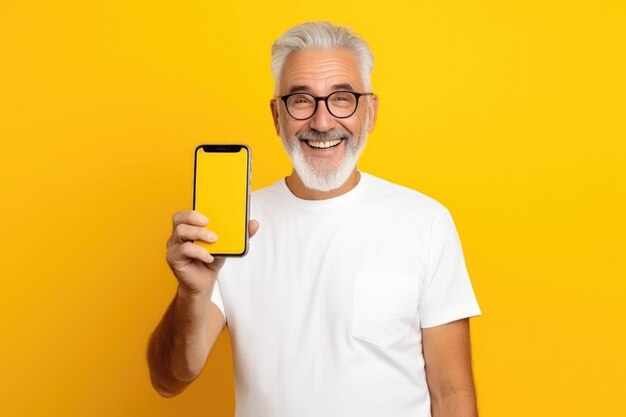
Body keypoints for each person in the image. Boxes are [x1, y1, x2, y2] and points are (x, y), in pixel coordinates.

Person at [148, 21, 481, 417]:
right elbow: (168, 379)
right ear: (277, 115)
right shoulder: (233, 227)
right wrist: (192, 294)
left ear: (370, 111)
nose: (322, 123)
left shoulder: (426, 223)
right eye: (301, 100)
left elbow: (452, 396)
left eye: (342, 98)